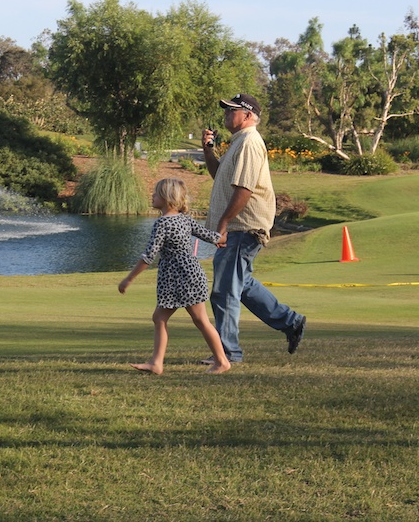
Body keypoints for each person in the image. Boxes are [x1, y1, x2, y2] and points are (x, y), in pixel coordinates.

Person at [200, 93, 306, 364]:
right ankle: (290, 321)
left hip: (242, 227)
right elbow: (219, 175)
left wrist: (222, 225)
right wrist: (208, 150)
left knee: (225, 290)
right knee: (242, 284)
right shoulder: (239, 143)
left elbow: (244, 190)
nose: (226, 114)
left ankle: (227, 353)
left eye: (231, 110)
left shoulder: (249, 142)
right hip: (241, 227)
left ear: (247, 115)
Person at [119, 178, 231, 375]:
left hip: (179, 277)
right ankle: (156, 363)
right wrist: (221, 238)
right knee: (164, 318)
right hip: (190, 274)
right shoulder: (185, 219)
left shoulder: (162, 223)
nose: (151, 196)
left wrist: (129, 279)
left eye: (155, 193)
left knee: (196, 320)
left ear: (166, 198)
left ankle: (221, 361)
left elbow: (149, 256)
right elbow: (209, 235)